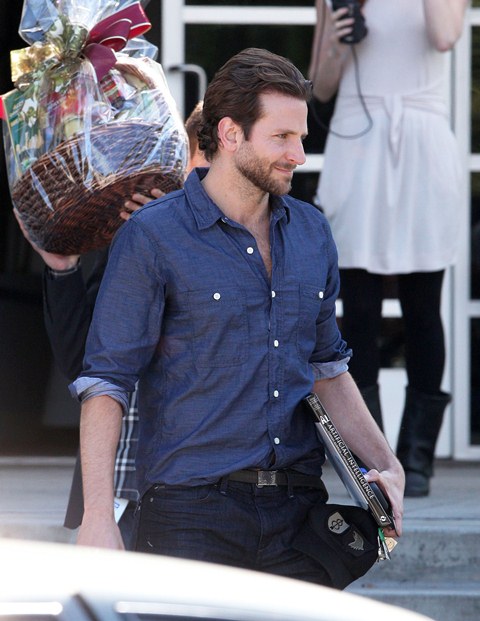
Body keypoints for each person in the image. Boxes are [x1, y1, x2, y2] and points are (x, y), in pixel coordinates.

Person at [72, 47, 404, 586]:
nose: (298, 154)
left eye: (301, 137)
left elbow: (327, 367)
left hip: (298, 513)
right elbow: (107, 382)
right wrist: (96, 517)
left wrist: (387, 464)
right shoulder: (153, 236)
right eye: (282, 137)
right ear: (230, 134)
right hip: (189, 514)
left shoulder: (313, 233)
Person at [15, 103, 208, 548]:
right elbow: (81, 363)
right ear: (184, 159)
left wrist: (181, 242)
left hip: (197, 497)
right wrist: (62, 268)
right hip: (117, 496)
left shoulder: (254, 241)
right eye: (196, 168)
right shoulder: (137, 228)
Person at [308, 0, 468, 497]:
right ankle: (369, 455)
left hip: (420, 141)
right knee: (358, 308)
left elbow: (444, 36)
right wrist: (336, 41)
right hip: (359, 139)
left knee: (423, 306)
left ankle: (416, 457)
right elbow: (322, 86)